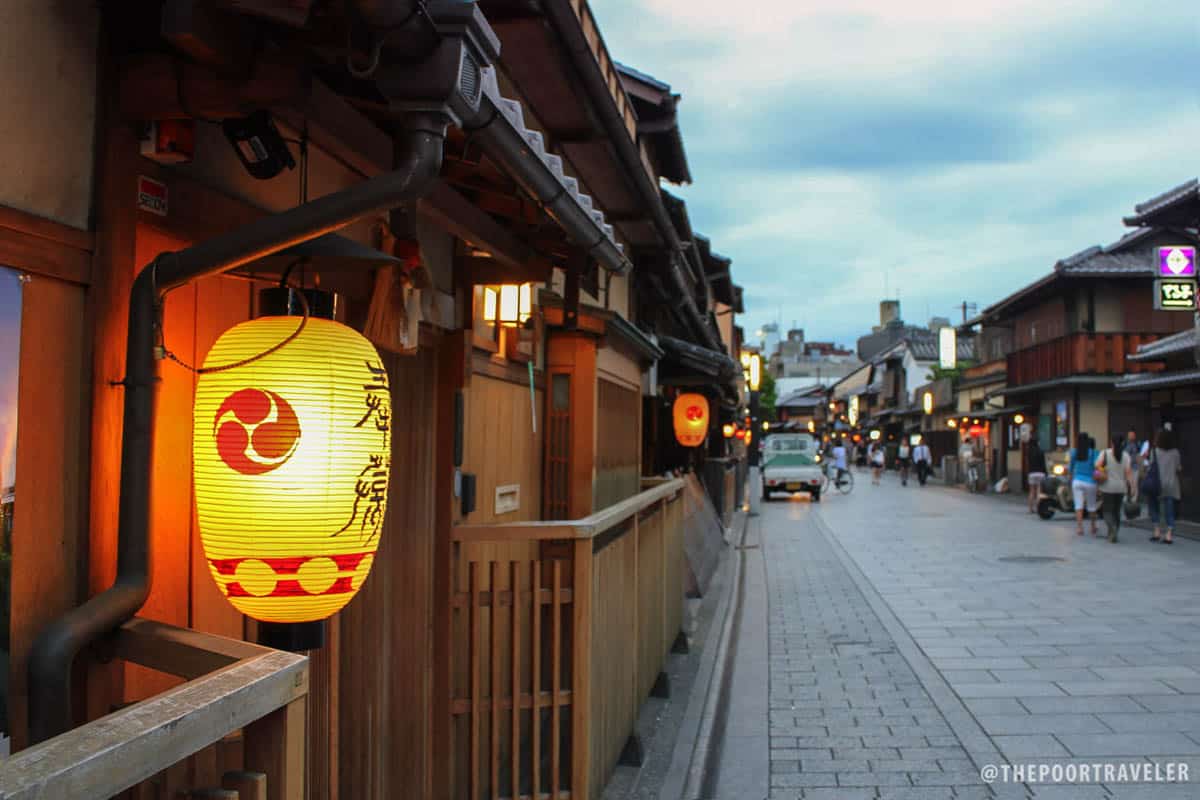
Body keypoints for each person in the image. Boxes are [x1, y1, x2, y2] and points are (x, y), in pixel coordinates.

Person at [1148, 427, 1183, 544]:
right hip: (1171, 484)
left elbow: (1150, 467)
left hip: (1156, 484)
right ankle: (1168, 535)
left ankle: (1157, 531)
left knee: (1153, 506)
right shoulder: (1176, 452)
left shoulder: (1154, 451)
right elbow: (1178, 468)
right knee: (1169, 510)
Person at [1096, 433, 1133, 543]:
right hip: (1121, 488)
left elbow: (1097, 465)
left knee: (1107, 511)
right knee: (1116, 511)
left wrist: (1103, 471)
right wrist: (1133, 486)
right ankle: (1114, 531)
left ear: (1111, 442)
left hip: (1107, 487)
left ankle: (1112, 529)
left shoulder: (1105, 453)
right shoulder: (1126, 456)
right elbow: (1128, 473)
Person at [1068, 432, 1099, 537]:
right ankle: (1093, 526)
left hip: (1077, 481)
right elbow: (1097, 468)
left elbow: (1070, 468)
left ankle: (1080, 527)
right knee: (1091, 505)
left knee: (1078, 505)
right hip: (1090, 482)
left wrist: (1070, 478)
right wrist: (1098, 478)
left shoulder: (1074, 452)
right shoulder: (1094, 453)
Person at [1026, 438, 1047, 514]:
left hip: (1032, 473)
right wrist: (1045, 473)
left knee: (1031, 491)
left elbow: (1028, 463)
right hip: (1040, 473)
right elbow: (1044, 464)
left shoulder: (1029, 452)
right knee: (1039, 491)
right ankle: (1038, 508)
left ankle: (1030, 509)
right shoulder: (1041, 452)